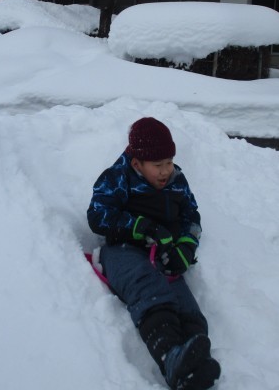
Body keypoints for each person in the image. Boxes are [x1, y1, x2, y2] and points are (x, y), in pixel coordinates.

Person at [87, 117, 221, 390]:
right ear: (137, 164)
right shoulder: (118, 178)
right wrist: (141, 226)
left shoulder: (177, 182)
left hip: (163, 252)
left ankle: (196, 359)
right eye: (158, 165)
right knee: (147, 286)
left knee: (184, 301)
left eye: (169, 162)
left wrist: (186, 247)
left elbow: (191, 217)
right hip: (123, 250)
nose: (165, 171)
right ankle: (170, 357)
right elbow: (97, 215)